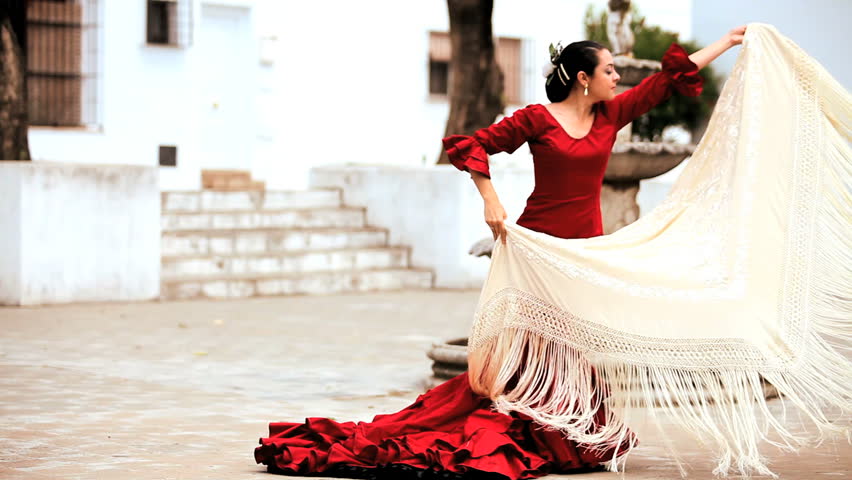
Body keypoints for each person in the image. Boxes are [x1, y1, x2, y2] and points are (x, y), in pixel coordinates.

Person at [255, 26, 748, 480]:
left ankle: (567, 432)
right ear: (583, 78)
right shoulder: (537, 119)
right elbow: (470, 145)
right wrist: (490, 198)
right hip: (535, 246)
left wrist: (726, 43)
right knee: (532, 348)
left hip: (581, 254)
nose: (618, 78)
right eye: (609, 70)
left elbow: (667, 80)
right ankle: (537, 431)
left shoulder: (611, 114)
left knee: (571, 345)